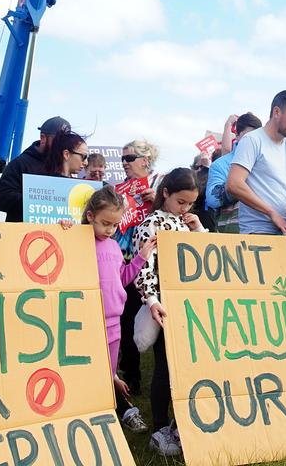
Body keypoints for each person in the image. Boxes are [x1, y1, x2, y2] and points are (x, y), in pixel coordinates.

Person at [132, 169, 206, 456]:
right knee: (164, 365)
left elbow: (204, 255)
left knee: (182, 365)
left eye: (190, 204)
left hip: (187, 302)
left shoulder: (184, 222)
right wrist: (151, 300)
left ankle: (178, 423)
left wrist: (198, 227)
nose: (185, 208)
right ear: (165, 193)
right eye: (181, 202)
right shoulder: (150, 225)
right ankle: (159, 427)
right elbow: (144, 266)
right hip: (164, 304)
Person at [79, 186, 153, 434]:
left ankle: (112, 409)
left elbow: (122, 278)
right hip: (88, 321)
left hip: (113, 323)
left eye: (114, 224)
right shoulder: (79, 241)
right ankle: (93, 411)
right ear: (90, 217)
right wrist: (65, 229)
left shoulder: (112, 246)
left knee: (109, 368)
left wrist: (140, 257)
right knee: (88, 368)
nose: (110, 229)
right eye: (105, 223)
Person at [226, 90, 286, 237]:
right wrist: (272, 213)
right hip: (259, 231)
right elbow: (233, 184)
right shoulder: (252, 140)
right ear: (277, 112)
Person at [115, 138, 162, 399]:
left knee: (153, 322)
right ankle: (132, 377)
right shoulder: (119, 187)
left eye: (128, 158)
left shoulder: (159, 183)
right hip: (125, 263)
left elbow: (179, 212)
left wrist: (156, 200)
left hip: (152, 265)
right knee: (126, 320)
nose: (124, 163)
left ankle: (163, 380)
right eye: (122, 158)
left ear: (145, 160)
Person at [0, 115, 72, 222]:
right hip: (23, 234)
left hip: (57, 235)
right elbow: (2, 199)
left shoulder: (65, 165)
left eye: (66, 140)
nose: (63, 145)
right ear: (43, 138)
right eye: (59, 140)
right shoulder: (20, 164)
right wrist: (37, 202)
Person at [205, 113, 262, 234]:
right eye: (248, 136)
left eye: (258, 137)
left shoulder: (266, 162)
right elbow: (212, 199)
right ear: (237, 135)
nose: (253, 141)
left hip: (264, 231)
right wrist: (238, 183)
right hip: (233, 237)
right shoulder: (220, 164)